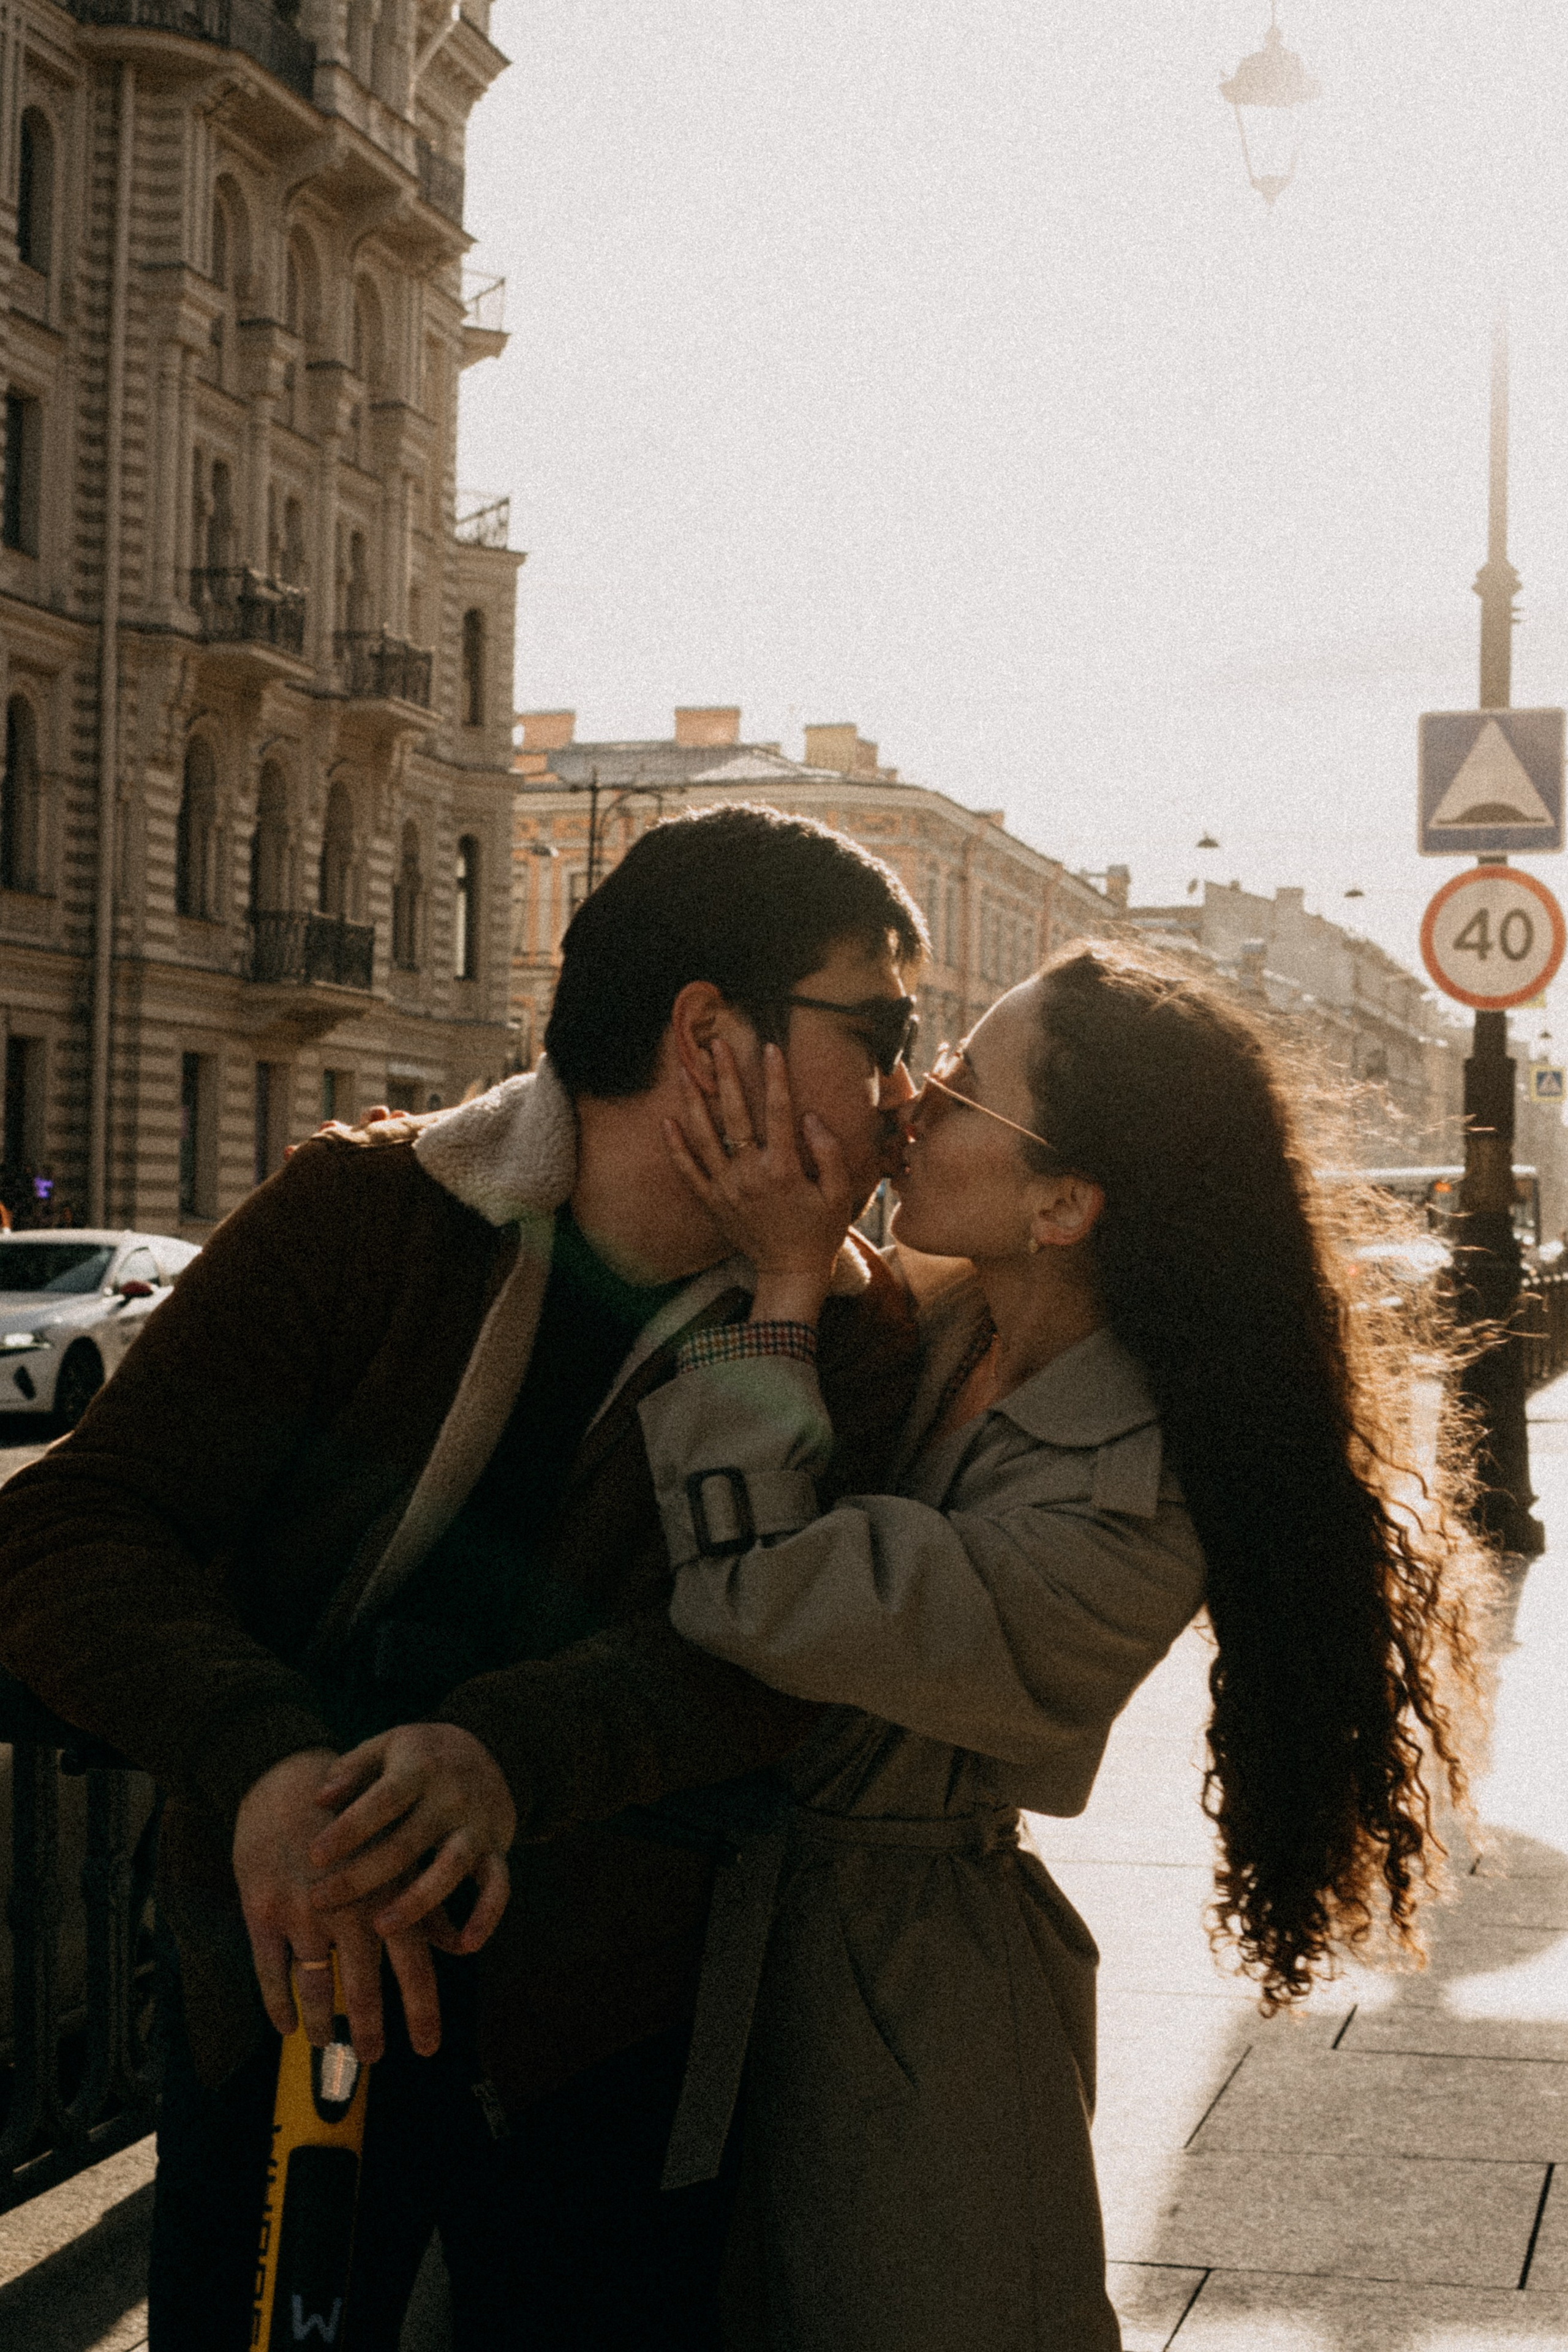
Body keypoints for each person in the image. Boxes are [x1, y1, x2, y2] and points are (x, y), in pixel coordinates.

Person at [0, 804, 928, 2351]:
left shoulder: (846, 1325)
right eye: (881, 1028)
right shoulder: (369, 1213)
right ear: (709, 1034)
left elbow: (767, 1653)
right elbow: (74, 1526)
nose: (909, 1091)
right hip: (284, 1997)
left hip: (601, 2041)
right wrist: (266, 1762)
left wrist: (502, 1755)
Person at [629, 943, 1488, 2351]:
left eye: (960, 1091)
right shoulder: (944, 1308)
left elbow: (757, 1587)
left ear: (1063, 1203)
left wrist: (786, 1280)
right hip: (719, 1956)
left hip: (911, 2023)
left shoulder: (1134, 1501)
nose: (910, 1102)